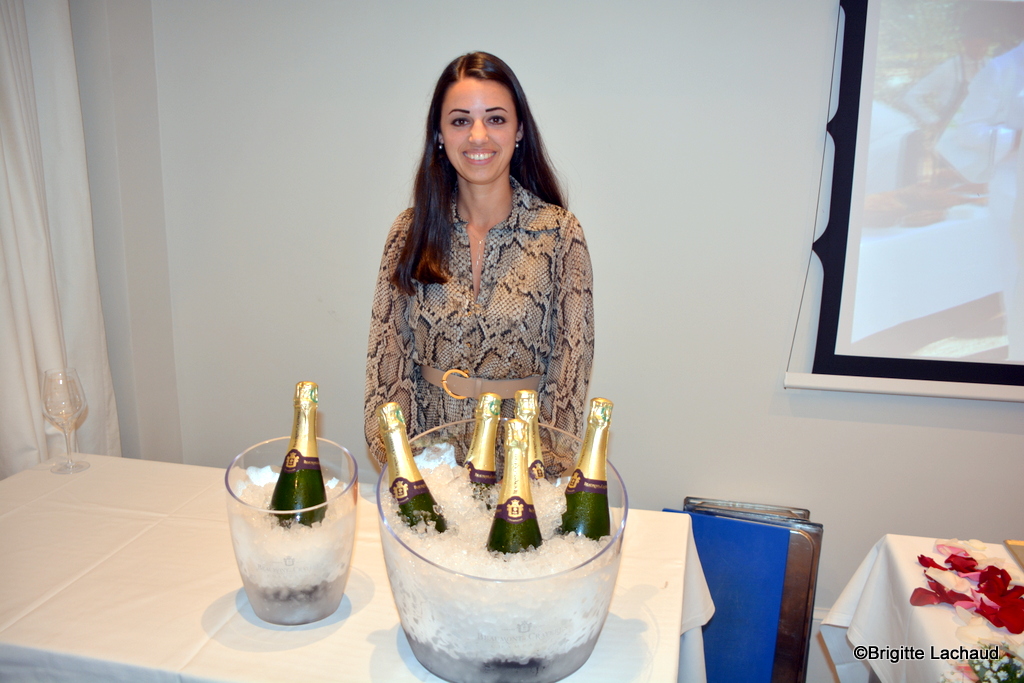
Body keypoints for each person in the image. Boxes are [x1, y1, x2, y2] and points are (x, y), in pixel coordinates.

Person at [363, 52, 594, 472]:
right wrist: (405, 465)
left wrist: (537, 473)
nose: (478, 136)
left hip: (522, 470)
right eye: (460, 121)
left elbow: (569, 373)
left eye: (496, 119)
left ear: (519, 130)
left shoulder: (560, 234)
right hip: (428, 467)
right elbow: (388, 361)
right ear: (439, 134)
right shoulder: (409, 232)